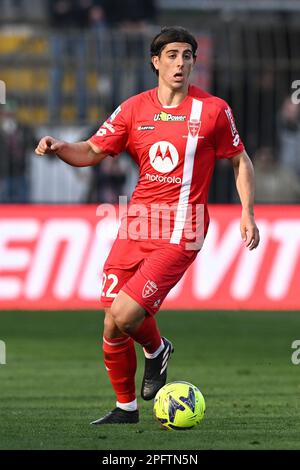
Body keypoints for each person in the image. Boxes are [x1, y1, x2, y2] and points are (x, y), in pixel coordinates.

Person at [35, 26, 260, 425]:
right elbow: (91, 149)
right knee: (111, 318)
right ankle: (126, 408)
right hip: (138, 222)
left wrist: (247, 212)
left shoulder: (212, 110)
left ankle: (156, 351)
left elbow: (239, 160)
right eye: (172, 55)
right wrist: (59, 148)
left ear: (194, 62)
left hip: (183, 227)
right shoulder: (133, 109)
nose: (180, 62)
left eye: (187, 55)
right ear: (155, 61)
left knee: (124, 314)